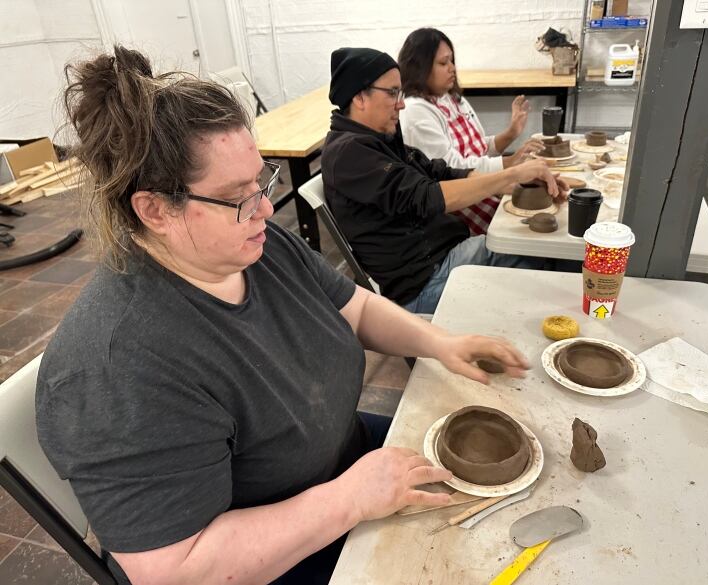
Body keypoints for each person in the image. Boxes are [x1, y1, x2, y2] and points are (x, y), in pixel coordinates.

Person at [35, 46, 533, 585]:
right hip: (273, 551)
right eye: (237, 198)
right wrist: (348, 499)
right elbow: (173, 570)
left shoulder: (255, 243)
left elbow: (355, 306)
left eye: (261, 182)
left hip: (343, 458)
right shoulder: (115, 370)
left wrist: (438, 342)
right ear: (155, 209)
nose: (267, 209)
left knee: (505, 501)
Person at [321, 47, 568, 314]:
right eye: (393, 93)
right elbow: (429, 197)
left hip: (446, 258)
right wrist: (509, 174)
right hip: (427, 284)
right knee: (543, 255)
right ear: (359, 97)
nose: (401, 103)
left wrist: (512, 184)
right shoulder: (349, 153)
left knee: (538, 245)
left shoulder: (379, 137)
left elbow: (441, 171)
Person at [398, 28, 545, 236]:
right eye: (443, 63)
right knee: (528, 230)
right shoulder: (415, 111)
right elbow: (452, 168)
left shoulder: (451, 98)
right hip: (460, 204)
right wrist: (509, 164)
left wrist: (511, 133)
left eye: (452, 61)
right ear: (419, 68)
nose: (452, 69)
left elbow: (478, 148)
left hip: (480, 185)